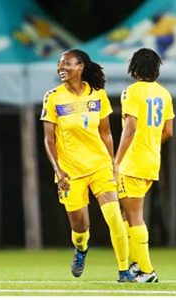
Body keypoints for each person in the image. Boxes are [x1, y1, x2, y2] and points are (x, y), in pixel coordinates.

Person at [40, 49, 132, 282]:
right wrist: (57, 170)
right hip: (70, 173)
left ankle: (124, 272)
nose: (61, 68)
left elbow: (107, 133)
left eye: (67, 64)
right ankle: (81, 249)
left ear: (81, 66)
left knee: (114, 218)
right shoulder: (52, 97)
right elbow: (49, 139)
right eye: (59, 65)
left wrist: (112, 162)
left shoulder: (98, 95)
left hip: (100, 166)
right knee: (80, 228)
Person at [114, 48, 174, 283]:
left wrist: (116, 161)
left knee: (133, 216)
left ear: (134, 68)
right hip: (151, 161)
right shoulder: (164, 94)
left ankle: (148, 272)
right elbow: (168, 132)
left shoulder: (131, 92)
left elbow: (129, 129)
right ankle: (137, 268)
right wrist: (150, 143)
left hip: (132, 162)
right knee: (128, 217)